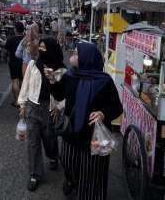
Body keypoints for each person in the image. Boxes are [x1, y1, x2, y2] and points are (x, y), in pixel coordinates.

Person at [48, 42, 122, 199]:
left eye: (76, 53)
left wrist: (103, 113)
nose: (72, 55)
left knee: (91, 176)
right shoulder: (70, 75)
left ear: (86, 58)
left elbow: (116, 107)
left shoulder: (104, 81)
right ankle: (72, 181)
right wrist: (53, 82)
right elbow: (59, 95)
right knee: (68, 163)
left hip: (94, 138)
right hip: (72, 133)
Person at [18, 38, 65, 192]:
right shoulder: (33, 65)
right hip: (32, 107)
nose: (41, 50)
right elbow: (26, 84)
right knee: (33, 143)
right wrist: (23, 104)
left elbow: (64, 93)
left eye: (45, 48)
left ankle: (53, 156)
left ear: (52, 49)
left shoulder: (61, 70)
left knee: (49, 137)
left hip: (49, 109)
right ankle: (35, 175)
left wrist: (59, 107)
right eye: (40, 47)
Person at [5, 22, 25, 107]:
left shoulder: (10, 39)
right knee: (22, 81)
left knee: (15, 81)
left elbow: (6, 51)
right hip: (23, 62)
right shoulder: (25, 39)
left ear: (15, 29)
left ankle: (17, 100)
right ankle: (22, 100)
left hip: (13, 62)